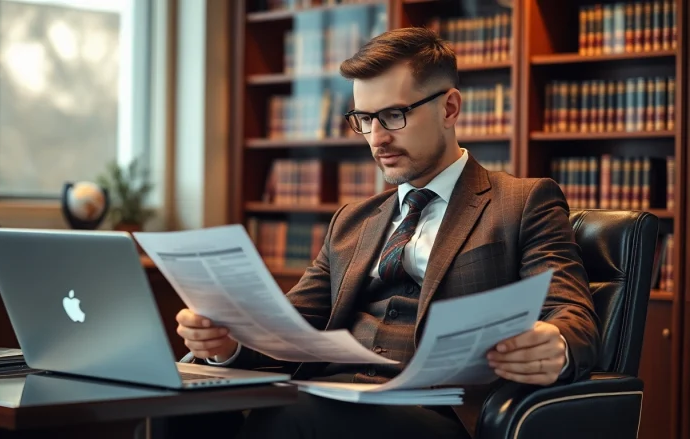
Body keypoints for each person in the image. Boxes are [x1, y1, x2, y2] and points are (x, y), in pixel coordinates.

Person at [174, 27, 600, 439]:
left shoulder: (521, 201)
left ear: (449, 108)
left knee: (294, 417)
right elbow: (289, 330)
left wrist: (557, 344)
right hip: (331, 394)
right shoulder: (351, 222)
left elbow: (573, 314)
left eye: (394, 115)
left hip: (435, 413)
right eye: (364, 118)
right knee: (184, 406)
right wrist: (227, 341)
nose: (377, 138)